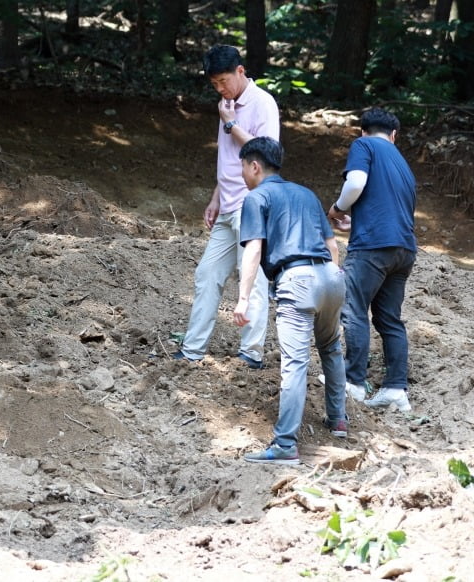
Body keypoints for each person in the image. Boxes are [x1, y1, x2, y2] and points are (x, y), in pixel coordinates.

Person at [232, 137, 347, 465]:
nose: (242, 173)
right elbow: (333, 246)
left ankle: (284, 445)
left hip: (296, 280)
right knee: (331, 348)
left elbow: (253, 248)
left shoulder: (257, 198)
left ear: (255, 166)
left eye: (243, 166)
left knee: (295, 363)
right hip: (331, 275)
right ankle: (338, 420)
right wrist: (329, 281)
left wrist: (243, 300)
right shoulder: (307, 194)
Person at [175, 45, 280, 368]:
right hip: (228, 203)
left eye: (223, 80)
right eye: (214, 84)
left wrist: (232, 124)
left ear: (240, 71)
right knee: (207, 274)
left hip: (254, 205)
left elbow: (268, 155)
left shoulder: (262, 104)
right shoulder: (226, 104)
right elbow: (231, 158)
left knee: (255, 280)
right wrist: (216, 197)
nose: (220, 89)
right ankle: (192, 350)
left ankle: (251, 354)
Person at [326, 108, 417, 413]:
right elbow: (390, 206)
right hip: (404, 249)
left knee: (352, 309)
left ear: (363, 131)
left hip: (373, 247)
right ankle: (395, 389)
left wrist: (338, 208)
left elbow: (355, 183)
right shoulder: (403, 163)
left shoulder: (362, 146)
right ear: (395, 135)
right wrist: (358, 220)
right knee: (389, 319)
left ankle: (352, 383)